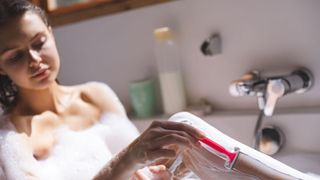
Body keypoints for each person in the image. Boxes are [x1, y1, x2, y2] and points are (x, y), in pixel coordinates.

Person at [0, 1, 317, 180]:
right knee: (185, 122)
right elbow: (128, 159)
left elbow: (144, 166)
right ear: (0, 67)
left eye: (38, 42)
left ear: (51, 34)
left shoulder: (96, 95)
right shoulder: (11, 138)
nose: (34, 60)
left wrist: (156, 169)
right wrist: (127, 161)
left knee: (184, 129)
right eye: (15, 56)